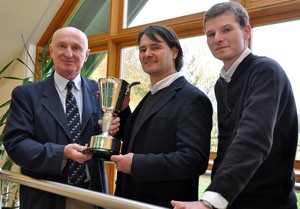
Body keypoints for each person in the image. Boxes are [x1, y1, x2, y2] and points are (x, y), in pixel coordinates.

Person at [171, 2, 298, 209]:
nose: (218, 38)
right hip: (234, 200)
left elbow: (254, 138)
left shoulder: (266, 71)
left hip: (268, 203)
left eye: (227, 29)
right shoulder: (222, 83)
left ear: (246, 31)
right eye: (210, 34)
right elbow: (227, 144)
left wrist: (211, 200)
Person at [3, 26, 120, 209]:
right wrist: (62, 153)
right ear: (51, 50)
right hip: (47, 198)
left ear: (87, 54)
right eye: (62, 46)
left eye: (76, 48)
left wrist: (108, 131)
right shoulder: (27, 94)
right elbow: (16, 145)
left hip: (92, 198)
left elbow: (107, 142)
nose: (69, 53)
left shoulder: (100, 92)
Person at [110, 24, 213, 208]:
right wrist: (124, 112)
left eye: (155, 47)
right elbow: (138, 139)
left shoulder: (192, 98)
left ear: (174, 52)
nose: (147, 53)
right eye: (143, 49)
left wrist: (136, 164)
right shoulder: (150, 95)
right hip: (128, 201)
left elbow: (193, 159)